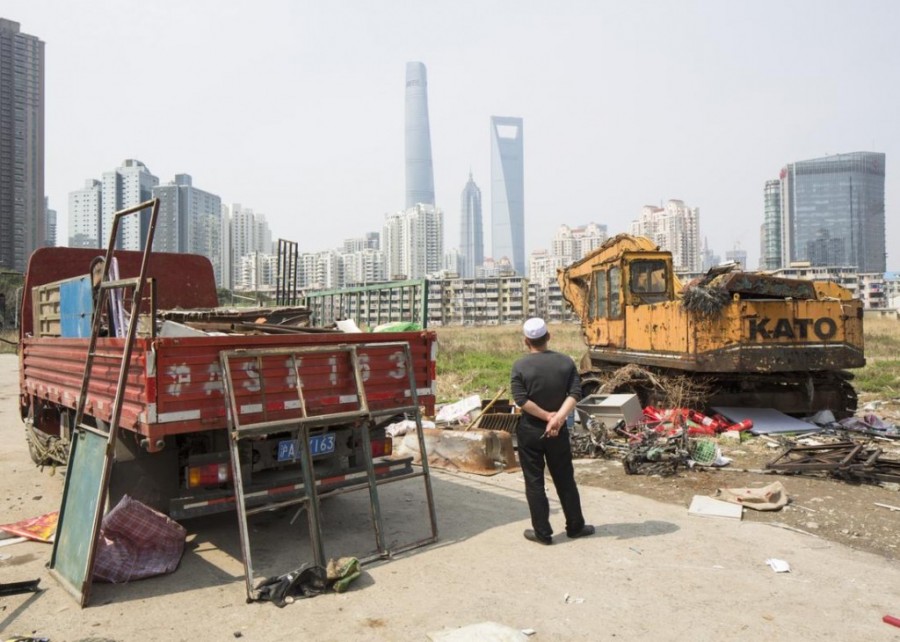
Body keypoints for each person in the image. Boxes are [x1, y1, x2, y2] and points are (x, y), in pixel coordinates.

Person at [510, 317, 595, 545]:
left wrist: (547, 417)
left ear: (526, 341)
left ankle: (543, 533)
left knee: (534, 481)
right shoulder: (565, 362)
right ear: (548, 337)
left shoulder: (520, 366)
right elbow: (575, 393)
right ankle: (575, 526)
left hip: (530, 430)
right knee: (565, 478)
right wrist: (557, 419)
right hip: (558, 431)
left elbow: (521, 400)